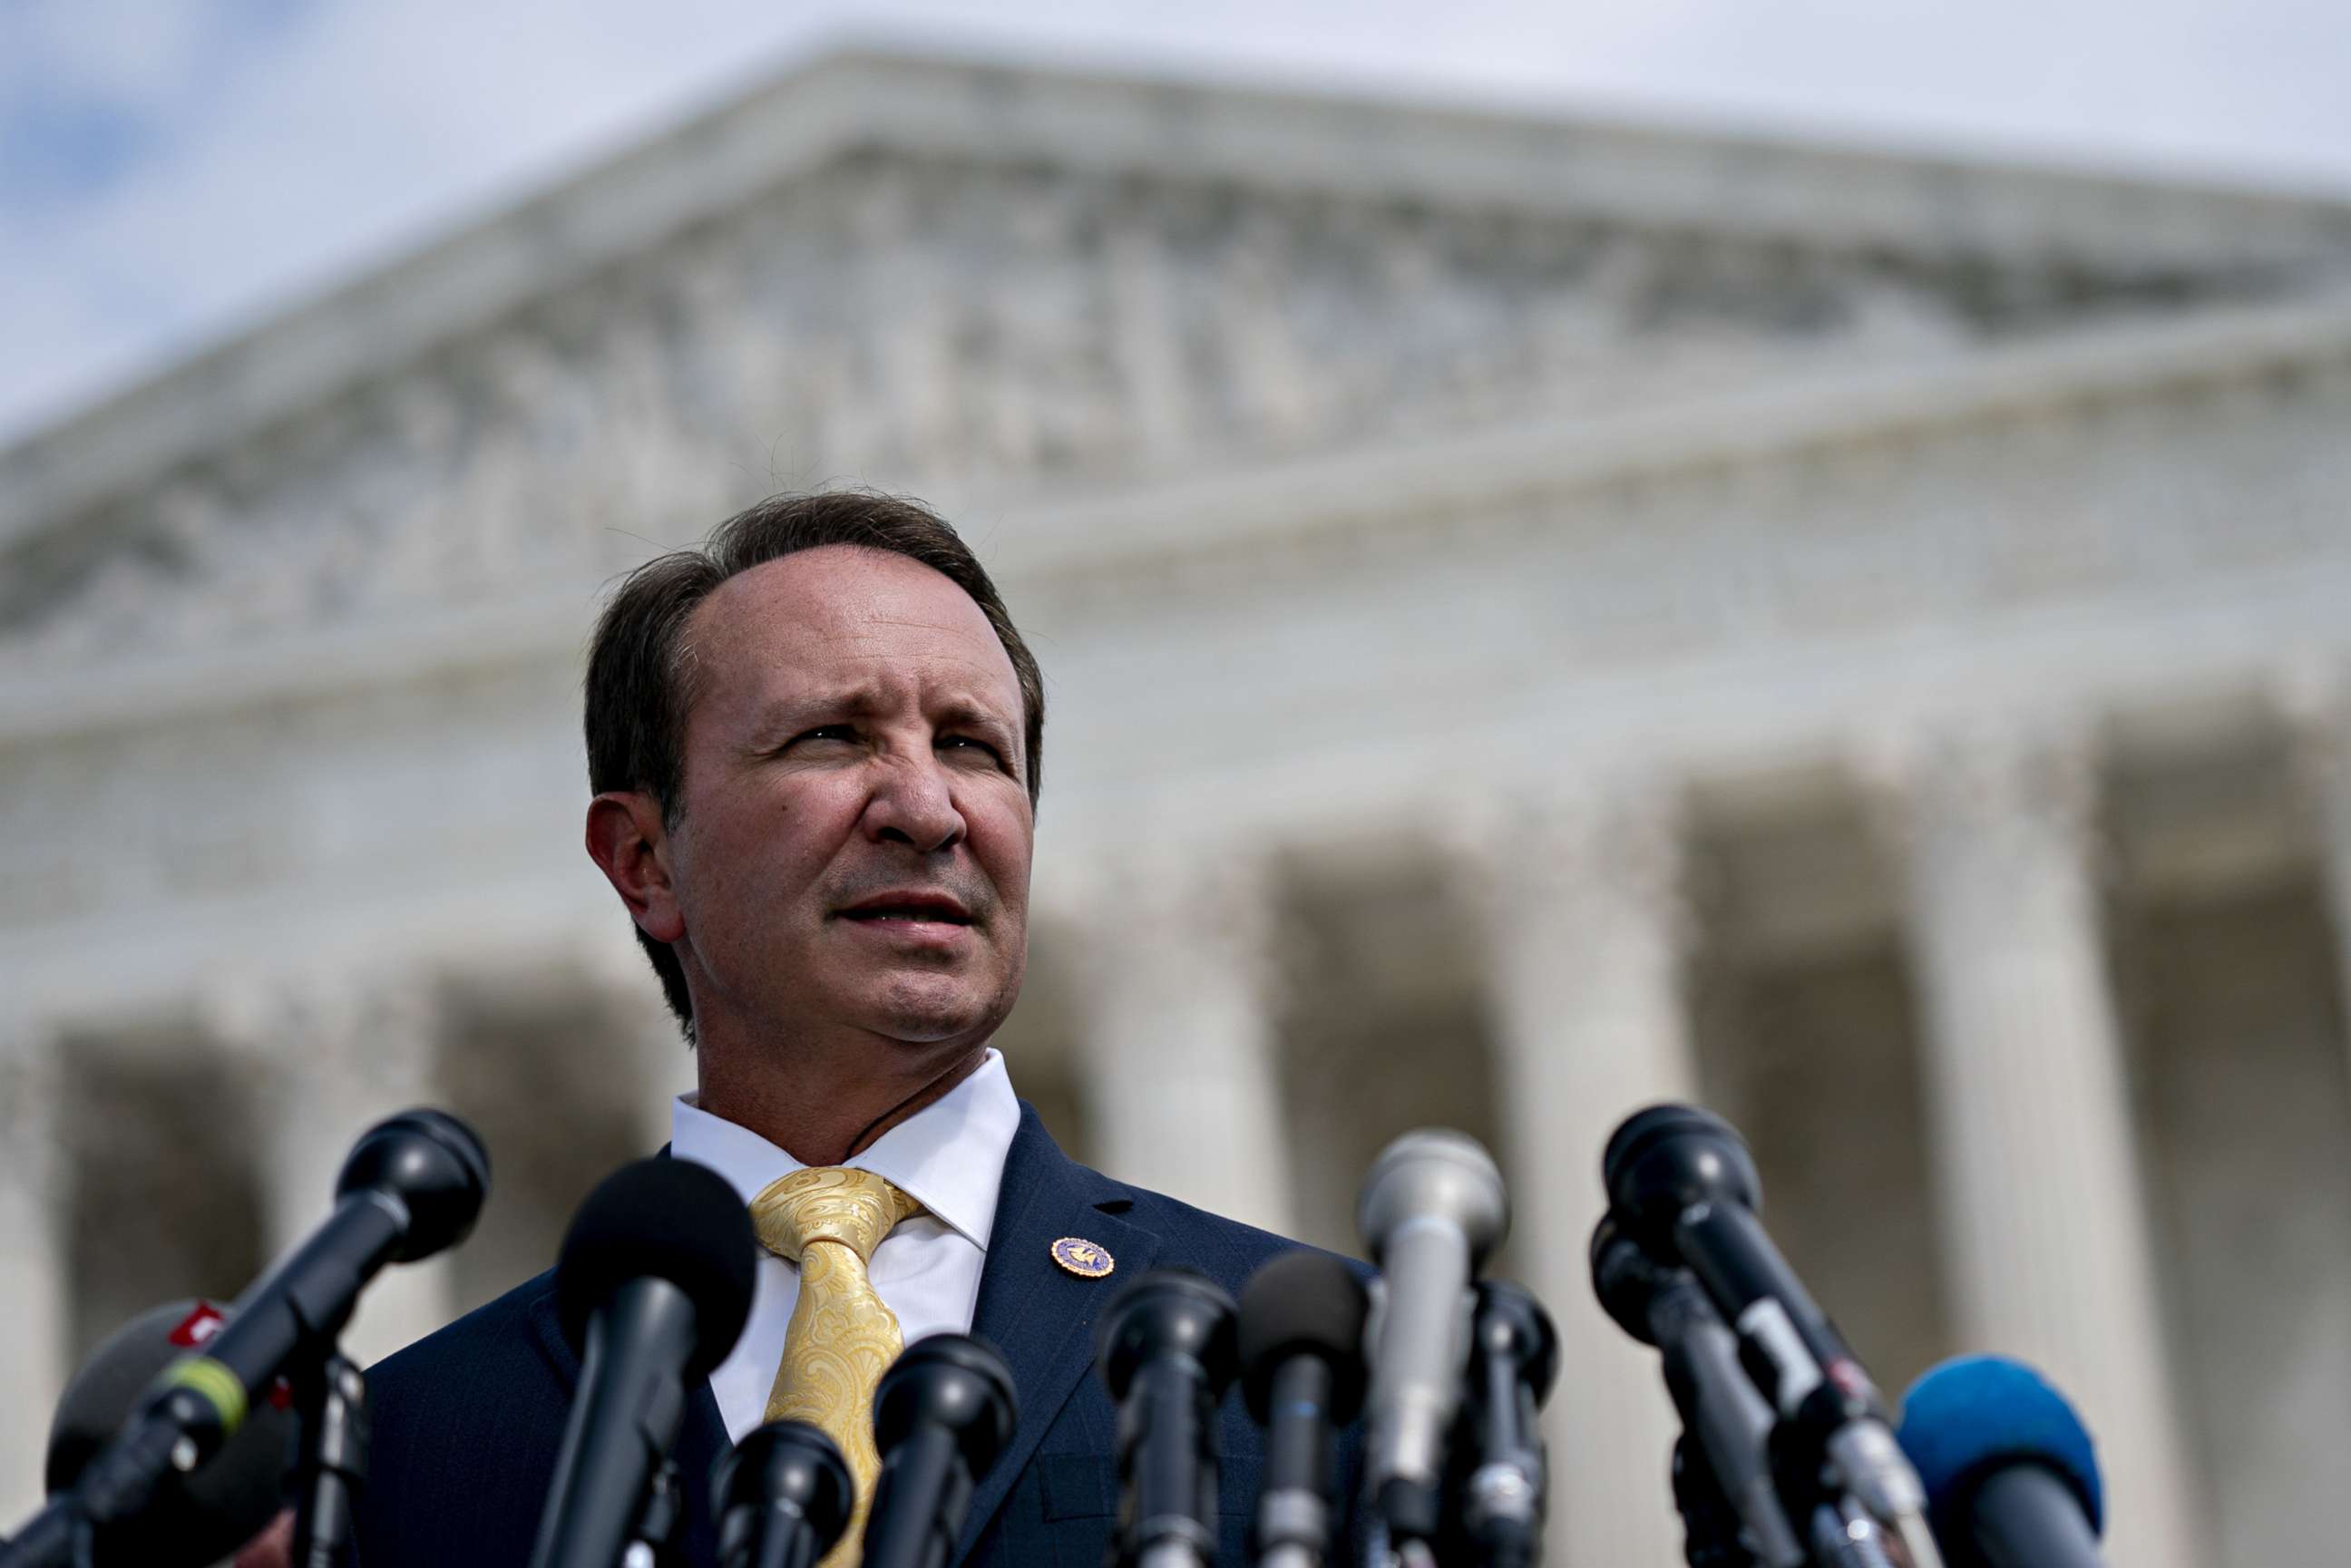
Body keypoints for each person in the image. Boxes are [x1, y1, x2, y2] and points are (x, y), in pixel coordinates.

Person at [353, 492, 1352, 1566]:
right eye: (832, 736)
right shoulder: (409, 1446)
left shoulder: (1305, 1357)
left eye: (973, 746)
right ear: (644, 860)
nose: (928, 810)